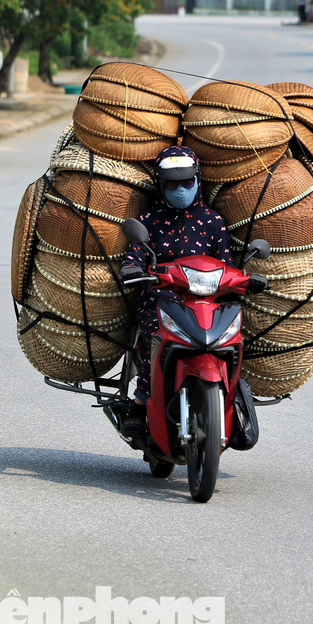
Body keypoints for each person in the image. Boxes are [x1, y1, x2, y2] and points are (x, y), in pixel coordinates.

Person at [116, 145, 265, 437]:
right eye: (172, 184)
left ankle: (233, 398)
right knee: (155, 340)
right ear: (160, 185)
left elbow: (226, 265)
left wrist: (249, 280)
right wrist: (133, 270)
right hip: (162, 300)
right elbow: (134, 257)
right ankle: (137, 404)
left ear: (198, 180)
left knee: (233, 344)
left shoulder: (213, 222)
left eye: (187, 182)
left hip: (209, 303)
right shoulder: (148, 222)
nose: (181, 189)